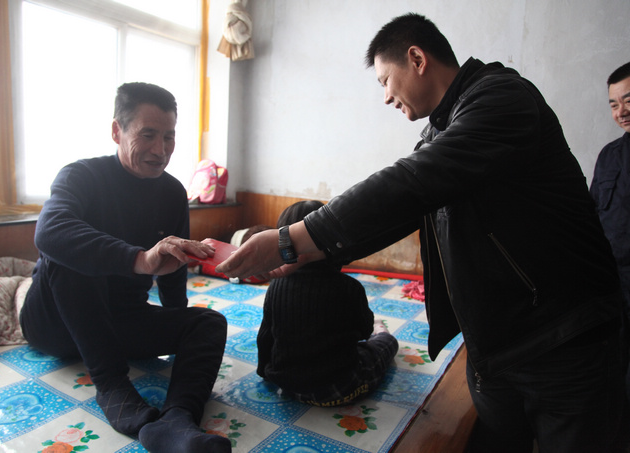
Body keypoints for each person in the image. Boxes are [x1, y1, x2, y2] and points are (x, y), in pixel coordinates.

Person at [216, 13, 626, 453]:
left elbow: (412, 182)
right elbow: (403, 209)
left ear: (416, 59)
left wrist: (291, 238)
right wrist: (312, 252)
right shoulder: (440, 130)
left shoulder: (503, 98)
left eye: (385, 81)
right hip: (494, 342)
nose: (386, 97)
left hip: (562, 337)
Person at [19, 82, 231, 453]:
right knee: (65, 253)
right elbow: (49, 231)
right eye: (147, 135)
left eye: (169, 137)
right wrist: (140, 259)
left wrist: (177, 327)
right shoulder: (81, 176)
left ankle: (177, 421)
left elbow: (175, 265)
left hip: (120, 321)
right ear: (117, 131)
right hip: (56, 326)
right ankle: (113, 389)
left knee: (208, 323)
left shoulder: (172, 193)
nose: (160, 150)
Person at [256, 200, 399, 407]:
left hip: (289, 386)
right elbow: (364, 330)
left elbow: (266, 335)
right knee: (385, 343)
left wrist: (264, 371)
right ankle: (383, 331)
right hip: (342, 387)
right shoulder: (349, 287)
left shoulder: (275, 286)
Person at [590, 61, 630, 435]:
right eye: (614, 104)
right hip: (611, 286)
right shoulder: (609, 156)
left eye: (628, 100)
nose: (622, 112)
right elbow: (590, 219)